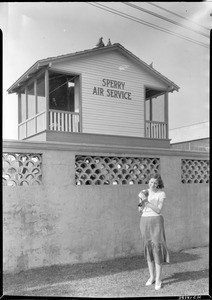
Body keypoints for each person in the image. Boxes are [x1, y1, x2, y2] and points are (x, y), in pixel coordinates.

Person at [138, 173, 169, 290]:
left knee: (157, 248)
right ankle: (151, 277)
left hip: (156, 221)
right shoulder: (143, 192)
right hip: (144, 221)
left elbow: (158, 210)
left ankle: (158, 279)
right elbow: (140, 209)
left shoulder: (161, 193)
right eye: (151, 182)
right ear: (148, 182)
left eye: (155, 183)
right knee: (148, 248)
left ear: (158, 184)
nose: (153, 184)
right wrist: (141, 201)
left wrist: (146, 200)